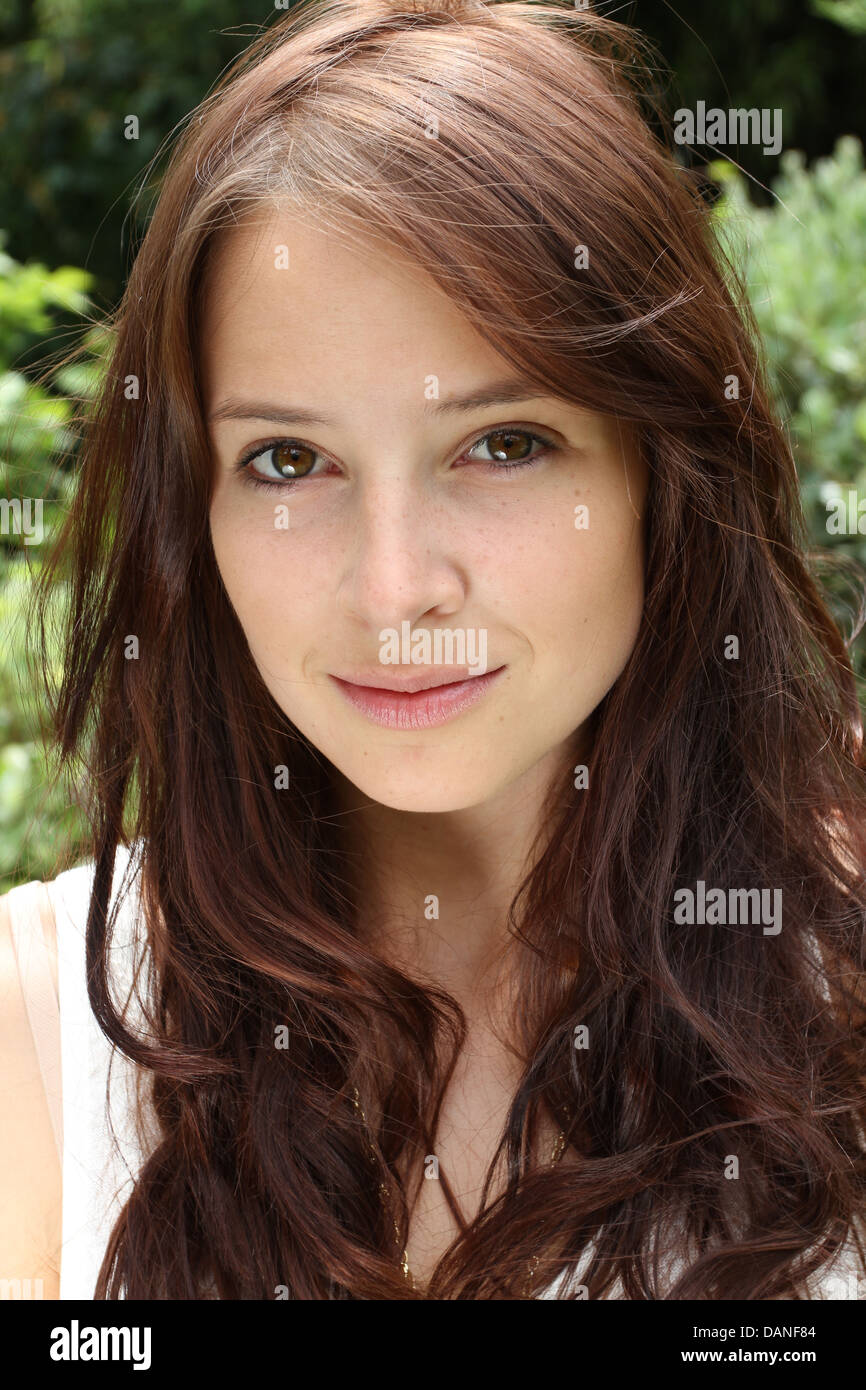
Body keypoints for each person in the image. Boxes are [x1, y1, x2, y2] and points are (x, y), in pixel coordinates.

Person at [2, 0, 865, 1300]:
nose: (394, 586)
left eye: (500, 443)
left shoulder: (832, 1000)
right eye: (288, 459)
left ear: (660, 473)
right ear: (199, 518)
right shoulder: (41, 1036)